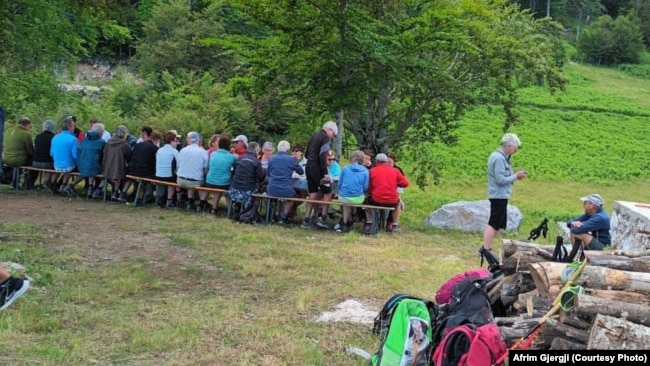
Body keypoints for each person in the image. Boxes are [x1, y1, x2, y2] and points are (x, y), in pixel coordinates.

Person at [481, 133, 526, 252]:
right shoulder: (499, 158)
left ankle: (487, 246)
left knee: (500, 224)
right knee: (494, 223)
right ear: (509, 146)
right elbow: (500, 180)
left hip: (502, 195)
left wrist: (515, 176)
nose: (516, 150)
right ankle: (485, 249)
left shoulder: (502, 157)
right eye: (515, 147)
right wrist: (515, 176)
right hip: (498, 195)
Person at [301, 121, 338, 229]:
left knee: (313, 193)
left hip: (308, 167)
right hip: (317, 168)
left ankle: (306, 219)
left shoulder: (314, 136)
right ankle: (324, 218)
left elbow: (307, 153)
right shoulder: (325, 138)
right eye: (333, 134)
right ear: (330, 130)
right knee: (328, 191)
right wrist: (325, 173)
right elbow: (323, 155)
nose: (332, 137)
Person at [364, 153, 409, 234]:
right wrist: (395, 184)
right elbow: (405, 183)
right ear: (386, 161)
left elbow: (368, 186)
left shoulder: (372, 171)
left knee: (365, 201)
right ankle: (394, 225)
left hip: (376, 200)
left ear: (376, 161)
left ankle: (369, 224)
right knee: (398, 203)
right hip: (392, 202)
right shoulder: (395, 171)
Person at [266, 140, 304, 224]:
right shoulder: (291, 160)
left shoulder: (271, 159)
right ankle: (282, 217)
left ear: (277, 149)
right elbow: (301, 172)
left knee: (272, 196)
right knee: (293, 198)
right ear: (288, 150)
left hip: (271, 189)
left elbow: (268, 174)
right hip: (286, 189)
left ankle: (270, 216)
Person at [334, 150, 369, 233]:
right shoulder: (365, 171)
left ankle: (345, 224)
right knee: (355, 200)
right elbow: (365, 187)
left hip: (344, 197)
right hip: (358, 198)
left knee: (346, 206)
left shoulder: (345, 168)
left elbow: (339, 183)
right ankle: (353, 215)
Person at [176, 132, 209, 212]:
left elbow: (178, 166)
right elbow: (205, 169)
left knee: (192, 178)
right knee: (205, 183)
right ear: (200, 141)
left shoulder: (183, 150)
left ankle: (190, 201)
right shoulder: (203, 152)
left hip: (180, 180)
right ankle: (201, 204)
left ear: (189, 140)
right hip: (195, 182)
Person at [204, 135, 236, 215]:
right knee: (228, 185)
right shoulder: (232, 157)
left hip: (210, 181)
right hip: (224, 183)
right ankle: (230, 209)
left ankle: (214, 208)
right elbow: (235, 169)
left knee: (219, 183)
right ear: (228, 146)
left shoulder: (212, 154)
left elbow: (207, 167)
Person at [3, 117, 37, 189]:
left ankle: (14, 182)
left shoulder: (8, 131)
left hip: (5, 158)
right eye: (29, 126)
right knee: (35, 164)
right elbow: (30, 151)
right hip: (18, 160)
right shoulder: (25, 134)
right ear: (27, 125)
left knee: (18, 160)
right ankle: (28, 184)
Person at [75, 122, 106, 199]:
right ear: (100, 132)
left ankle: (90, 187)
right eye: (103, 132)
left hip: (81, 167)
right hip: (93, 168)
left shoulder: (84, 140)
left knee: (91, 165)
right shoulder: (102, 142)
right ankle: (97, 190)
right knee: (108, 172)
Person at [50, 116, 79, 196]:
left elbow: (51, 153)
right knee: (79, 168)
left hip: (56, 166)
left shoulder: (55, 137)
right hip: (68, 166)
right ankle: (66, 185)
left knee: (67, 167)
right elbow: (75, 155)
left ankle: (59, 184)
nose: (74, 128)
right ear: (69, 127)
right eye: (73, 126)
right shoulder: (73, 139)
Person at [103, 125, 132, 201]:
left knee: (117, 172)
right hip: (118, 171)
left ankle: (115, 191)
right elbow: (129, 157)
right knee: (129, 174)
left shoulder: (108, 142)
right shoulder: (124, 144)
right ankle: (120, 193)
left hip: (107, 169)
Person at [155, 131, 180, 208]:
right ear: (172, 141)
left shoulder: (159, 150)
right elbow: (178, 165)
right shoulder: (174, 151)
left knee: (162, 180)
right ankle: (170, 200)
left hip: (158, 175)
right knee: (174, 180)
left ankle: (159, 199)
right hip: (169, 176)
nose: (177, 143)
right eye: (176, 141)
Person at [32, 120, 57, 190]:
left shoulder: (38, 136)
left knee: (48, 163)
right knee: (55, 166)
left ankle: (46, 182)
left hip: (35, 162)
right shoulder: (54, 137)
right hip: (47, 163)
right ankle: (49, 182)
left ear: (43, 127)